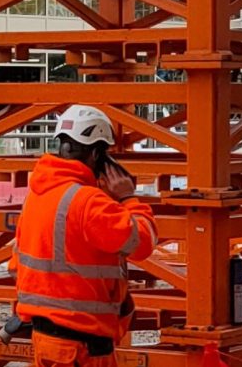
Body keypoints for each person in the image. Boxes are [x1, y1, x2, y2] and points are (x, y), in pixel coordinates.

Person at [12, 105, 157, 366]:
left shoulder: (37, 195)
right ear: (97, 153)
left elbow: (17, 265)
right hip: (82, 348)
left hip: (47, 342)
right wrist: (128, 198)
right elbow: (142, 242)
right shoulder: (89, 202)